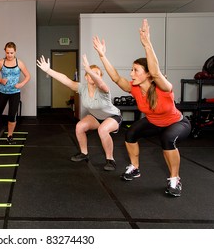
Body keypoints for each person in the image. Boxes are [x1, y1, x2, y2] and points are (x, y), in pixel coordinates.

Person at [92, 19, 191, 196]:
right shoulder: (135, 88)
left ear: (148, 75)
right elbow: (115, 78)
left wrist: (147, 43)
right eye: (132, 69)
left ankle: (175, 180)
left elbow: (155, 72)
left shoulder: (163, 87)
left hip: (176, 123)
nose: (131, 73)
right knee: (130, 134)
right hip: (153, 122)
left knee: (168, 139)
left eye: (136, 70)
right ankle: (134, 168)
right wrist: (102, 55)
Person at [36, 54, 122, 171]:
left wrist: (90, 71)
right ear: (86, 77)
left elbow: (100, 83)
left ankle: (110, 159)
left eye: (96, 74)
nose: (93, 76)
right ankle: (84, 153)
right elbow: (66, 80)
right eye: (90, 74)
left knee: (102, 130)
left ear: (100, 77)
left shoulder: (103, 89)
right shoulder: (82, 88)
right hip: (96, 117)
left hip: (112, 117)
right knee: (80, 126)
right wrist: (48, 70)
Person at [0, 42, 31, 144]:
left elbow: (28, 76)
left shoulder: (19, 63)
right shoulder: (1, 62)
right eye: (8, 52)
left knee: (12, 115)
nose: (9, 55)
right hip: (3, 92)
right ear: (5, 51)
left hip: (15, 93)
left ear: (15, 52)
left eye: (11, 53)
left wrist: (21, 84)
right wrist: (0, 80)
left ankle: (10, 135)